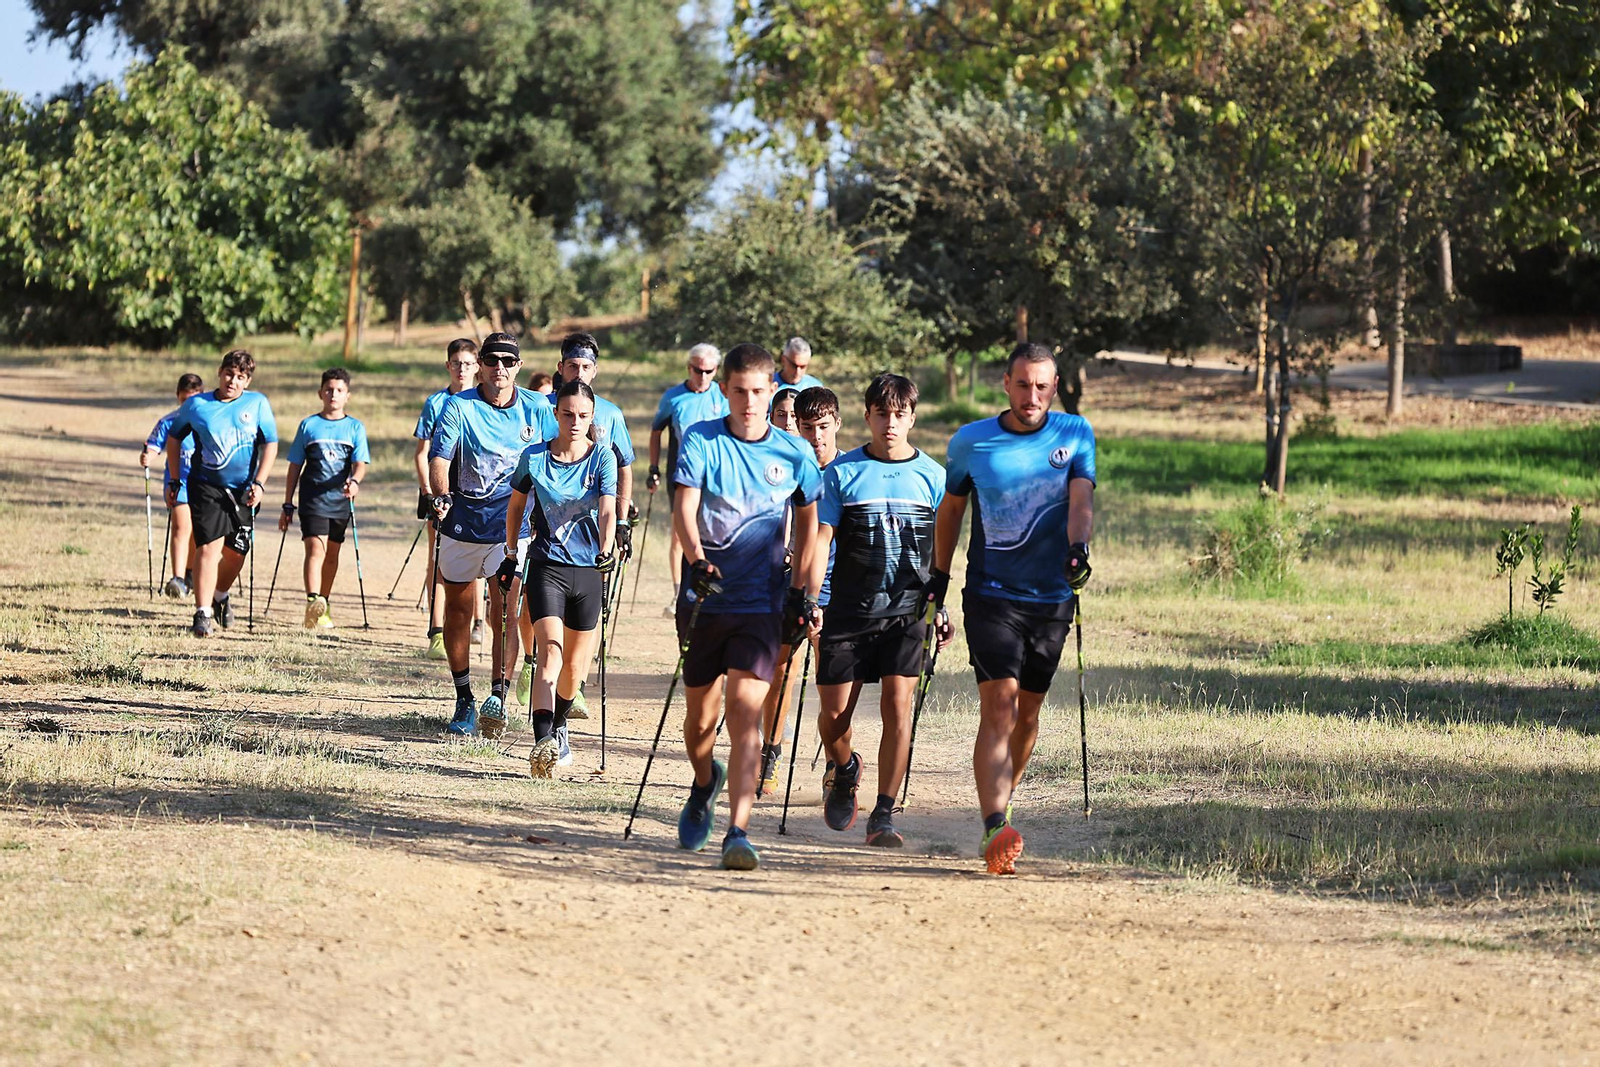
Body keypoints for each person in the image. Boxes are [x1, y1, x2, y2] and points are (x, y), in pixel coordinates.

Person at [929, 343, 1096, 875]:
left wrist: (1078, 549)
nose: (1032, 396)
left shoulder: (1075, 434)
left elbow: (1081, 500)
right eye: (1023, 384)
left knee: (1028, 715)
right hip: (991, 595)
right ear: (1006, 383)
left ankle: (1003, 799)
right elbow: (951, 510)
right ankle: (994, 823)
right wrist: (938, 573)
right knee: (998, 706)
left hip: (1050, 599)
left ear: (1054, 385)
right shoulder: (972, 441)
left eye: (1042, 386)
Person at [672, 343, 822, 871]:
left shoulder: (793, 453)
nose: (750, 402)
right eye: (740, 392)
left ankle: (738, 830)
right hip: (704, 599)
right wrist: (696, 558)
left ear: (772, 392)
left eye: (760, 392)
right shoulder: (702, 441)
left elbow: (810, 527)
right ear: (725, 391)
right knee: (699, 724)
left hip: (762, 604)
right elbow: (685, 510)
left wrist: (803, 589)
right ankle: (703, 780)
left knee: (744, 713)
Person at [812, 373, 950, 847]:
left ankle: (884, 813)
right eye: (881, 414)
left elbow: (942, 550)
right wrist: (811, 598)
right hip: (847, 611)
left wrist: (942, 603)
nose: (890, 423)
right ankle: (846, 767)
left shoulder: (934, 477)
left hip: (907, 614)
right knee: (834, 718)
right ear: (868, 416)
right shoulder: (842, 473)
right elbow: (821, 540)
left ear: (912, 417)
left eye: (900, 415)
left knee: (898, 707)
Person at [427, 332, 555, 738]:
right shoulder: (457, 407)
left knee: (505, 612)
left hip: (511, 529)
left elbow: (559, 455)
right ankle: (464, 697)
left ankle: (497, 696)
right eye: (492, 359)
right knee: (460, 610)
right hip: (464, 521)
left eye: (508, 360)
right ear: (480, 364)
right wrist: (441, 494)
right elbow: (439, 458)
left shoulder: (537, 409)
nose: (499, 367)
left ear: (518, 365)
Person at [511, 332, 635, 715]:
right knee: (531, 603)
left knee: (577, 629)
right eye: (572, 365)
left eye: (585, 367)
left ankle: (571, 684)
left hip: (587, 532)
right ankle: (533, 661)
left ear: (594, 371)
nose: (578, 371)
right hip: (539, 524)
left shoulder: (609, 413)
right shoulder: (540, 406)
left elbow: (624, 465)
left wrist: (622, 520)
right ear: (560, 366)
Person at [505, 380, 617, 777]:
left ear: (592, 418)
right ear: (555, 414)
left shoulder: (602, 457)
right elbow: (516, 504)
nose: (575, 422)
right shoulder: (534, 458)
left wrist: (607, 547)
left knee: (573, 669)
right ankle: (542, 742)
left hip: (588, 569)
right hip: (546, 565)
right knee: (549, 652)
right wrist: (511, 549)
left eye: (583, 415)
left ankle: (561, 724)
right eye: (567, 414)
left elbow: (607, 509)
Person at [757, 385, 843, 795]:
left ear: (837, 425)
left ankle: (836, 762)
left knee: (833, 683)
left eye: (823, 427)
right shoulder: (783, 468)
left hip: (836, 593)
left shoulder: (850, 471)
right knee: (780, 673)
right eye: (807, 427)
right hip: (786, 586)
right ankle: (770, 754)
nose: (815, 436)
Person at [165, 350, 278, 638]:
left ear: (248, 381)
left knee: (237, 552)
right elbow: (174, 437)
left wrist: (260, 483)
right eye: (229, 373)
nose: (233, 381)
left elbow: (271, 444)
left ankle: (219, 595)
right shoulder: (196, 405)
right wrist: (175, 479)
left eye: (241, 377)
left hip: (244, 491)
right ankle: (202, 613)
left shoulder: (258, 404)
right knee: (208, 547)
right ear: (219, 372)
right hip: (206, 486)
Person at [277, 368, 371, 630]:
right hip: (312, 499)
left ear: (347, 396)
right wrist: (288, 503)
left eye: (339, 390)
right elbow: (295, 465)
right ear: (320, 393)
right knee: (315, 549)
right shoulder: (308, 425)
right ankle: (311, 601)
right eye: (329, 389)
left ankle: (324, 604)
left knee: (332, 554)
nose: (333, 394)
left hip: (340, 501)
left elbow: (360, 464)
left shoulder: (354, 427)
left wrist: (355, 481)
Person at [414, 339, 484, 659]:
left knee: (480, 555)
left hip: (472, 490)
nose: (462, 369)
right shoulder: (436, 402)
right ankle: (436, 629)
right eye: (457, 363)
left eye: (468, 363)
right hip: (438, 488)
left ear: (477, 366)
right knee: (438, 558)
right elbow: (422, 452)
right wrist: (429, 492)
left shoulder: (484, 403)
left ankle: (478, 621)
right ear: (448, 366)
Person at [647, 343, 726, 616]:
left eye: (709, 371)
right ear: (688, 368)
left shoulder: (723, 395)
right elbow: (656, 431)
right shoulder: (673, 397)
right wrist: (653, 468)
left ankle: (710, 586)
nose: (703, 376)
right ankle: (679, 592)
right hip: (681, 474)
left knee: (713, 531)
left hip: (716, 476)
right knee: (680, 534)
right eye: (697, 370)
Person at [141, 373, 203, 598]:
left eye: (194, 399)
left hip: (204, 484)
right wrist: (148, 456)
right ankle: (177, 578)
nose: (189, 405)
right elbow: (155, 445)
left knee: (198, 533)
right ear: (178, 397)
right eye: (185, 399)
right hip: (178, 484)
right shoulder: (169, 421)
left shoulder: (207, 421)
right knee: (180, 527)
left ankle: (189, 573)